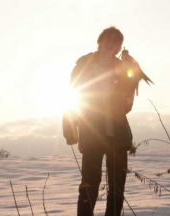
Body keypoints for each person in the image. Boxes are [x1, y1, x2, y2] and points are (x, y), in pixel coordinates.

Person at [66, 27, 145, 216]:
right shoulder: (84, 64)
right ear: (100, 42)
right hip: (91, 133)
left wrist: (131, 73)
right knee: (89, 183)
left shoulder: (122, 67)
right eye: (110, 42)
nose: (113, 47)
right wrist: (70, 128)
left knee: (117, 186)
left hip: (117, 135)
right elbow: (72, 96)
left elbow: (127, 104)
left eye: (117, 44)